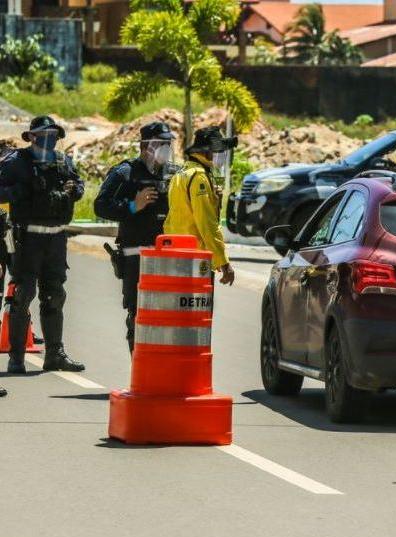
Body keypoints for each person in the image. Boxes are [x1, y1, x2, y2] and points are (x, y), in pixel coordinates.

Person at [0, 115, 85, 374]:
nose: (50, 138)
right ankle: (17, 358)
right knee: (23, 294)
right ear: (33, 136)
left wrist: (74, 191)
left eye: (54, 134)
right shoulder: (16, 162)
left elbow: (78, 184)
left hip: (56, 237)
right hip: (27, 237)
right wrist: (24, 190)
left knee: (55, 294)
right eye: (44, 133)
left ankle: (55, 354)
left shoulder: (63, 161)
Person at [94, 122, 175, 352]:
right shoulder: (125, 172)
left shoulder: (173, 174)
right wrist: (132, 205)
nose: (165, 149)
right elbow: (100, 206)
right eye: (160, 144)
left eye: (168, 144)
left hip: (166, 256)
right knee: (138, 316)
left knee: (166, 316)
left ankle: (161, 374)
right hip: (136, 256)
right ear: (144, 146)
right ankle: (139, 373)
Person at [164, 126, 235, 286]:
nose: (220, 155)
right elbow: (207, 223)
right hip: (195, 258)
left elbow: (171, 219)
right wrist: (223, 262)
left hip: (177, 255)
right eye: (217, 150)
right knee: (196, 310)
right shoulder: (198, 177)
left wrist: (215, 200)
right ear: (206, 151)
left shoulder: (181, 174)